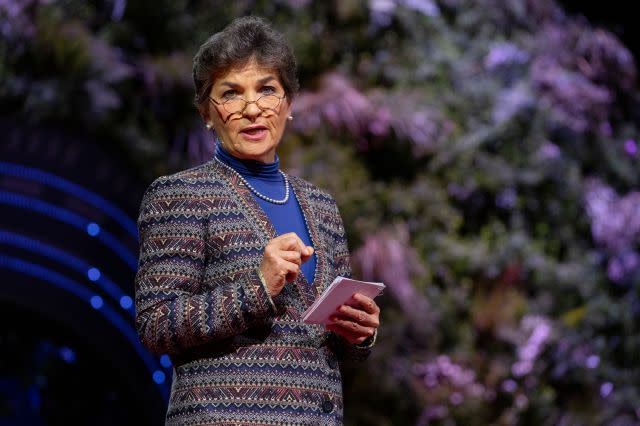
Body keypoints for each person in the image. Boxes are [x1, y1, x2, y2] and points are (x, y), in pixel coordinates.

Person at [134, 16, 381, 426]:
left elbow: (333, 346)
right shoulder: (181, 196)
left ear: (288, 104)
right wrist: (258, 287)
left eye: (267, 89)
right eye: (231, 93)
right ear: (206, 112)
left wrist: (360, 333)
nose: (252, 109)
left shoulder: (321, 205)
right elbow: (156, 324)